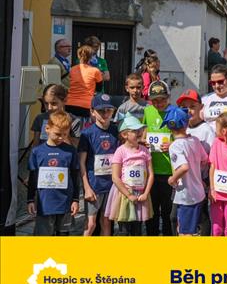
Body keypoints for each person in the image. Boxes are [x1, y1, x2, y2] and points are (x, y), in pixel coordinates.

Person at [27, 111, 80, 236]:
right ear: (47, 129)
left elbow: (75, 177)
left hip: (65, 205)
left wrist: (76, 200)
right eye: (57, 134)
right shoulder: (36, 152)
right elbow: (33, 178)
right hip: (44, 205)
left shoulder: (71, 151)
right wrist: (30, 199)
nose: (61, 138)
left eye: (65, 134)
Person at [105, 114, 153, 236]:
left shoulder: (144, 151)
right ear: (124, 135)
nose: (139, 133)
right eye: (135, 131)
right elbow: (115, 177)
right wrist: (129, 194)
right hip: (124, 194)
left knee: (137, 229)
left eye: (140, 130)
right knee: (124, 230)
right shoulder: (120, 151)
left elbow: (151, 174)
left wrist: (146, 193)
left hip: (141, 194)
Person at [164, 106, 208, 237]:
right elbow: (204, 159)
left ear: (169, 127)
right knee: (192, 229)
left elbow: (184, 167)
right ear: (186, 123)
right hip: (198, 192)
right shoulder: (194, 140)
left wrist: (172, 179)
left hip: (186, 196)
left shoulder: (175, 146)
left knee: (185, 232)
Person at [78, 94, 118, 236]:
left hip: (111, 186)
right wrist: (87, 188)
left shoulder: (116, 131)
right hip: (94, 186)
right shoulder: (87, 134)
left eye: (108, 110)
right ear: (92, 111)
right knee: (90, 224)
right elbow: (81, 163)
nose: (105, 114)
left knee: (106, 221)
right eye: (101, 111)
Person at [142, 80, 174, 236]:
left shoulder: (175, 112)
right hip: (151, 171)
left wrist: (172, 145)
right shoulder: (148, 111)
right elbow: (144, 132)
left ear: (168, 97)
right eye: (154, 100)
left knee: (168, 212)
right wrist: (143, 141)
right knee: (152, 211)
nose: (158, 103)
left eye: (162, 99)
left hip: (169, 170)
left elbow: (182, 136)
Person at [207, 113, 227, 236]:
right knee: (216, 229)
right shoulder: (216, 143)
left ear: (224, 131)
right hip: (217, 194)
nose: (215, 130)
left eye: (216, 127)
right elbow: (212, 167)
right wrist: (212, 189)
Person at [66, 45, 103, 117]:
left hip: (69, 103)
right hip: (86, 105)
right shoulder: (95, 71)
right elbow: (99, 89)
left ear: (79, 56)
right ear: (91, 57)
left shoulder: (72, 69)